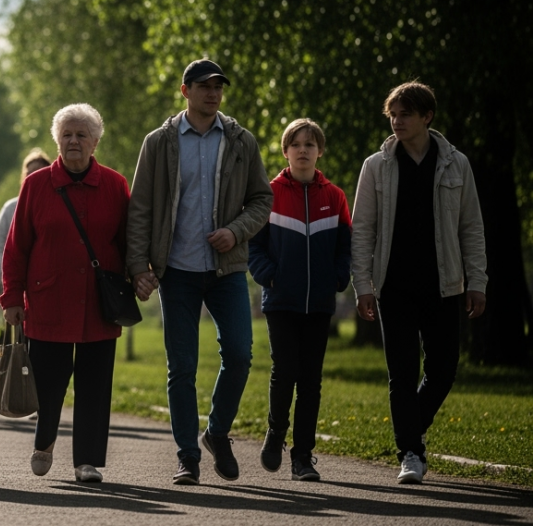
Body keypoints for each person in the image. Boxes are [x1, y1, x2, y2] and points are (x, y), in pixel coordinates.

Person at [126, 59, 272, 486]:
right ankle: (188, 457)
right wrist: (139, 266)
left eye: (218, 86)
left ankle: (217, 432)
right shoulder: (159, 143)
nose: (213, 93)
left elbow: (261, 200)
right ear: (184, 90)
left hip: (226, 269)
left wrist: (235, 231)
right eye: (204, 86)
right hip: (178, 271)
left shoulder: (242, 141)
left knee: (242, 355)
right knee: (182, 367)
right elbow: (141, 210)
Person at [350, 81, 487, 485]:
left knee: (444, 370)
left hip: (445, 285)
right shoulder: (376, 166)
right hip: (394, 286)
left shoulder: (456, 164)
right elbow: (363, 231)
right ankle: (410, 452)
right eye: (392, 114)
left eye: (405, 114)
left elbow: (471, 228)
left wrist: (477, 281)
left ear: (427, 117)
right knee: (402, 374)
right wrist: (364, 286)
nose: (397, 121)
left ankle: (412, 427)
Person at [0, 103, 132, 483]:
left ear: (95, 142)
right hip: (48, 301)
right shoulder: (37, 184)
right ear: (57, 140)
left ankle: (86, 462)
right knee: (48, 384)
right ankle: (44, 441)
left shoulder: (115, 184)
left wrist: (138, 275)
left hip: (98, 304)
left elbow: (126, 242)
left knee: (94, 386)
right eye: (67, 135)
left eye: (81, 135)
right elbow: (17, 246)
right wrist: (12, 298)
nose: (74, 141)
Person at [247, 118, 352, 482]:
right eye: (296, 144)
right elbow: (254, 247)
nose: (303, 150)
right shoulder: (268, 193)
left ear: (319, 151)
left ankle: (302, 457)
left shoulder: (335, 196)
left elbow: (345, 247)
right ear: (286, 151)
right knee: (285, 370)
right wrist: (269, 275)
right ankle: (276, 433)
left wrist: (339, 277)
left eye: (310, 144)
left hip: (320, 302)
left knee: (311, 380)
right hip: (281, 300)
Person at [0, 149, 52, 321]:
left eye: (38, 172)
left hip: (44, 294)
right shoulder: (11, 208)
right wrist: (7, 290)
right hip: (16, 293)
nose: (33, 177)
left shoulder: (56, 207)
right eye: (29, 173)